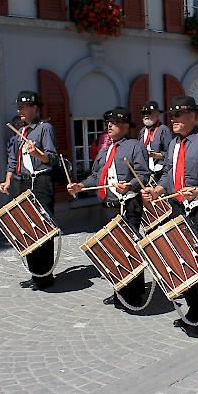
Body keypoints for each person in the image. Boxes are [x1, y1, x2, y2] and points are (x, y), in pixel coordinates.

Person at [141, 96, 198, 334]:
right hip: (178, 208)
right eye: (172, 115)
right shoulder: (174, 143)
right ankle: (194, 309)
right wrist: (158, 189)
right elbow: (169, 173)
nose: (173, 119)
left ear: (194, 116)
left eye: (179, 115)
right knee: (180, 260)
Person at [68, 107, 150, 309]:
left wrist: (130, 185)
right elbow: (97, 176)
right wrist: (81, 186)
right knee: (113, 250)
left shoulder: (134, 146)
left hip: (128, 205)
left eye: (113, 122)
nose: (109, 126)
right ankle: (119, 289)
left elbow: (143, 174)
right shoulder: (105, 150)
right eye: (108, 123)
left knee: (130, 249)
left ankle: (135, 292)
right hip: (108, 207)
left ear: (125, 126)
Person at [0, 91, 58, 289]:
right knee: (27, 228)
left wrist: (37, 153)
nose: (19, 110)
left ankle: (46, 276)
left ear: (35, 108)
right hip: (23, 182)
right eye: (18, 107)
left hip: (41, 182)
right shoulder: (20, 131)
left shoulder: (44, 129)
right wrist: (7, 181)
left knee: (43, 229)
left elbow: (51, 157)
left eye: (23, 106)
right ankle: (35, 273)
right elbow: (13, 160)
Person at [138, 101, 173, 183]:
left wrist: (157, 155)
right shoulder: (142, 131)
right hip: (145, 171)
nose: (146, 115)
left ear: (157, 115)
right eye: (144, 113)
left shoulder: (164, 130)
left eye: (149, 113)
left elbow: (170, 153)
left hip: (159, 172)